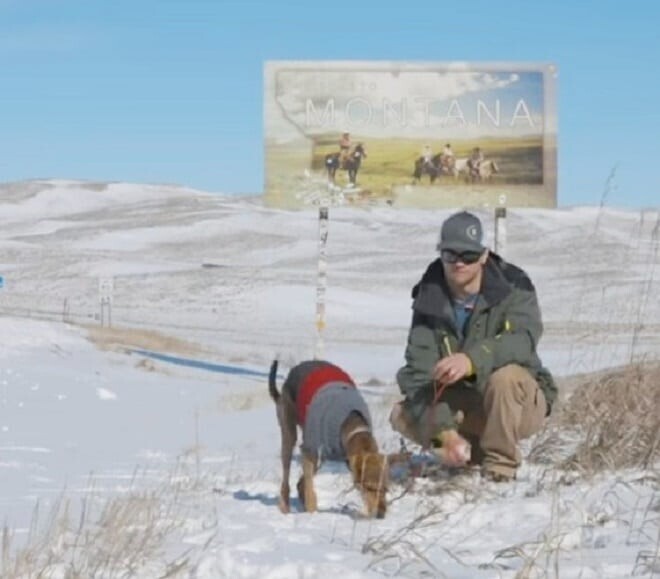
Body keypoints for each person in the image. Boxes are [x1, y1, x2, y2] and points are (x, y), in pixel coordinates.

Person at [390, 211, 557, 482]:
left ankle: (500, 468)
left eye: (468, 256)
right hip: (465, 403)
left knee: (506, 378)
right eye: (450, 255)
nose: (459, 263)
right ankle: (460, 452)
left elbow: (523, 341)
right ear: (440, 254)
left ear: (483, 256)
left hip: (518, 403)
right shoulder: (428, 296)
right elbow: (418, 371)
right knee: (402, 414)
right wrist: (443, 432)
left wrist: (471, 360)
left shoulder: (514, 287)